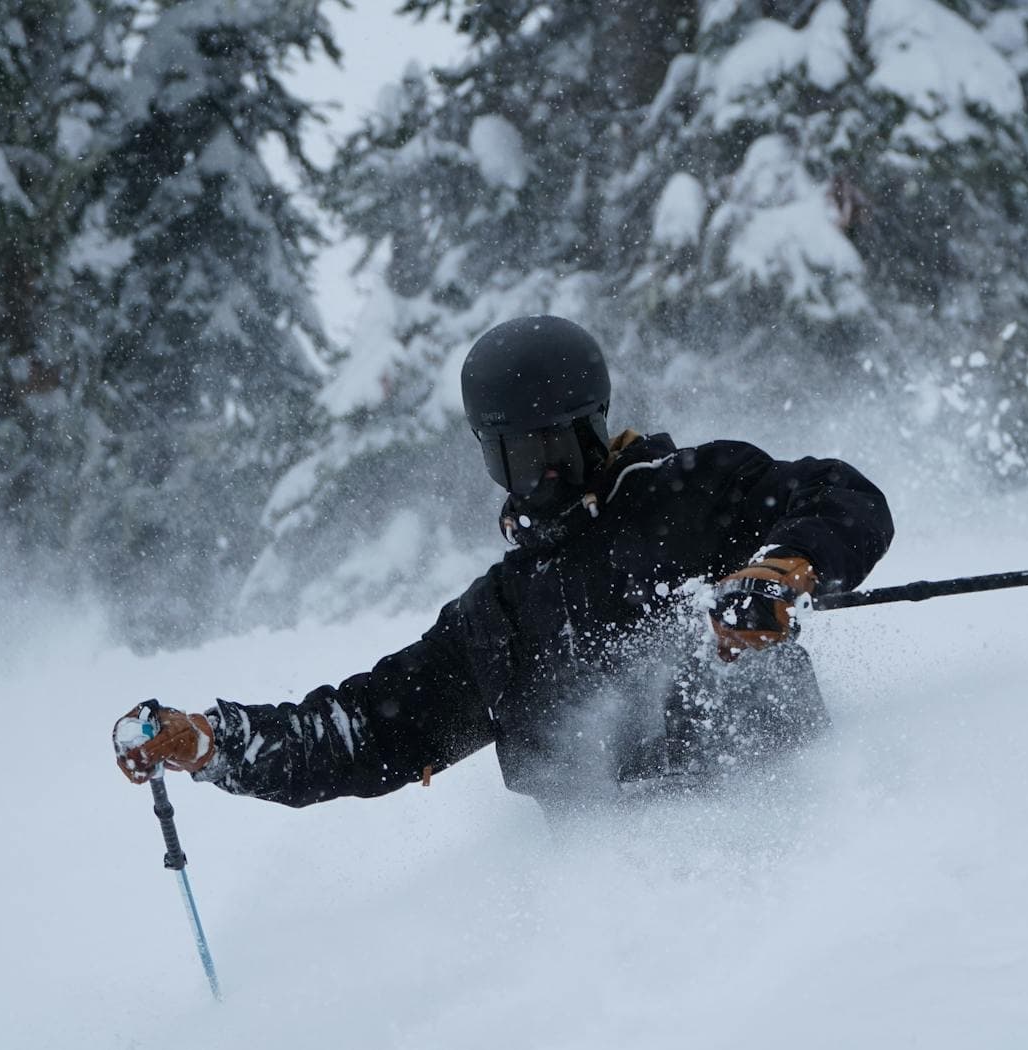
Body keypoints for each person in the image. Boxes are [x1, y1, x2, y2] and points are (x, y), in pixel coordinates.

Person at [113, 316, 894, 813]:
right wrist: (219, 742)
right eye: (520, 457)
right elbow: (367, 729)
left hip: (783, 817)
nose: (543, 477)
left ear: (597, 427)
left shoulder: (694, 495)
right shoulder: (501, 615)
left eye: (558, 448)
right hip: (619, 902)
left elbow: (843, 497)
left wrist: (781, 568)